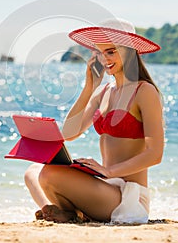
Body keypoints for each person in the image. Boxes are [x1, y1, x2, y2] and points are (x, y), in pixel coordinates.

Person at [24, 17, 164, 224]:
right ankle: (55, 211)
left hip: (128, 197)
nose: (104, 58)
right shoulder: (103, 91)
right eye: (99, 52)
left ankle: (66, 212)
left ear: (129, 51)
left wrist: (108, 171)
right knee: (33, 172)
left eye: (111, 51)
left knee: (50, 174)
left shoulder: (144, 91)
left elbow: (155, 154)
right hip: (105, 187)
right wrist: (88, 87)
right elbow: (69, 133)